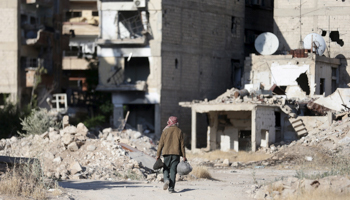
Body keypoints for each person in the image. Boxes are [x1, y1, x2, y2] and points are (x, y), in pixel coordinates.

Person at [156, 116, 186, 193]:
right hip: (176, 154)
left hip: (166, 153)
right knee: (173, 171)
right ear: (176, 123)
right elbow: (182, 145)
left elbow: (160, 144)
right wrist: (184, 156)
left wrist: (158, 155)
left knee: (165, 168)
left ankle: (166, 179)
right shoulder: (179, 131)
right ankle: (171, 189)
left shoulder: (165, 131)